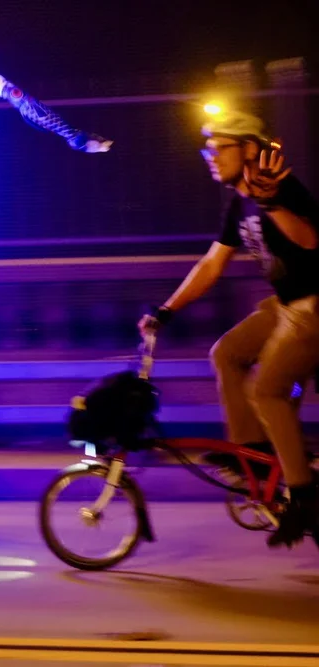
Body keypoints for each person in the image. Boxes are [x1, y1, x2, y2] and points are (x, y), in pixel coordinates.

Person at [138, 109, 319, 549]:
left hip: (313, 305)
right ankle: (255, 458)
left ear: (251, 150)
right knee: (226, 352)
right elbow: (212, 264)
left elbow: (311, 240)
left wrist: (273, 202)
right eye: (208, 148)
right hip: (286, 304)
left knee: (267, 391)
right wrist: (165, 311)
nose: (211, 156)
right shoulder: (238, 201)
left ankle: (304, 495)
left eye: (220, 148)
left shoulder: (283, 188)